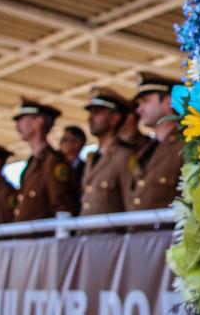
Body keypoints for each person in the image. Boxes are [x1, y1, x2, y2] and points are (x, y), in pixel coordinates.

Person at [12, 97, 78, 220]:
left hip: (43, 238)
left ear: (38, 122)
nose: (17, 125)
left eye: (22, 119)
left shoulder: (54, 162)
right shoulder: (32, 163)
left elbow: (62, 206)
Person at [126, 72, 184, 210]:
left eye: (145, 101)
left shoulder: (185, 144)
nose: (139, 110)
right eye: (138, 104)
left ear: (168, 102)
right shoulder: (146, 149)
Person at [80, 87, 135, 215]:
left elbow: (130, 202)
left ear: (115, 118)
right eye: (90, 113)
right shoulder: (92, 157)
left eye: (97, 112)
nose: (90, 118)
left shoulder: (125, 156)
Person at [60, 125, 87, 204]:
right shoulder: (54, 166)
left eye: (64, 139)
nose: (60, 143)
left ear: (77, 143)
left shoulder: (86, 168)